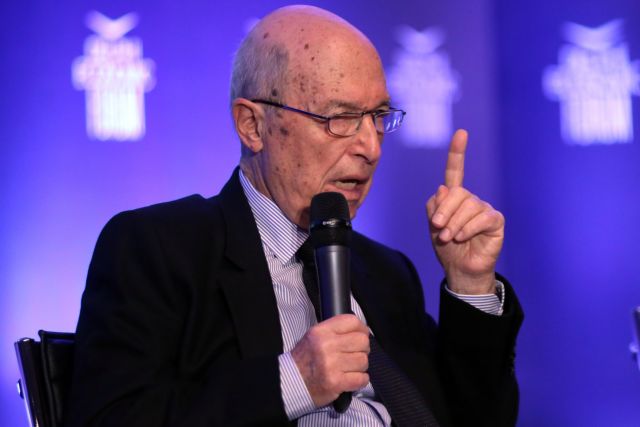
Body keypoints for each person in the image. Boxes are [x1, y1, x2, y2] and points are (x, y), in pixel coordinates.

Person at [67, 5, 523, 427]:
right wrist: (296, 380)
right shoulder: (161, 250)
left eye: (378, 117)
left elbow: (476, 418)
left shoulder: (387, 274)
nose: (370, 147)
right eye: (340, 118)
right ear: (253, 126)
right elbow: (110, 418)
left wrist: (471, 286)